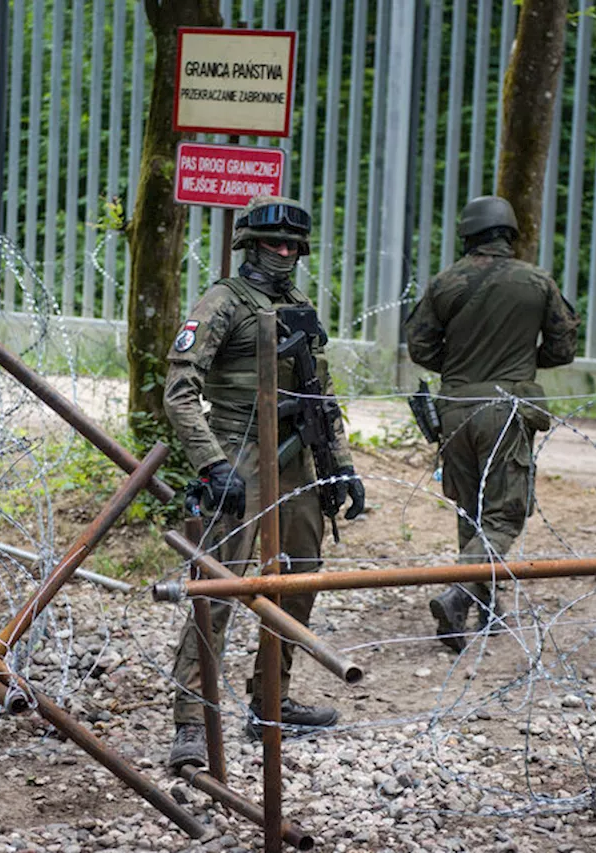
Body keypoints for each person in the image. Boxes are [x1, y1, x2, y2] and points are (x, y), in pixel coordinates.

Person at [162, 195, 366, 769]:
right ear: (250, 244)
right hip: (239, 451)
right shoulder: (223, 302)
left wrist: (342, 464)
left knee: (300, 580)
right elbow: (179, 391)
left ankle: (270, 701)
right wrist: (212, 462)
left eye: (293, 245)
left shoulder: (300, 305)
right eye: (274, 243)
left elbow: (322, 398)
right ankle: (191, 720)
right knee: (219, 588)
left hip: (299, 455)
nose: (285, 253)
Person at [404, 195, 579, 653]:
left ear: (468, 234)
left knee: (471, 507)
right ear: (509, 234)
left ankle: (483, 606)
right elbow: (563, 348)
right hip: (506, 408)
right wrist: (521, 361)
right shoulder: (536, 282)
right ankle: (460, 592)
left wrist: (461, 364)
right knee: (505, 512)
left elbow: (420, 347)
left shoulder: (445, 283)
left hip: (455, 408)